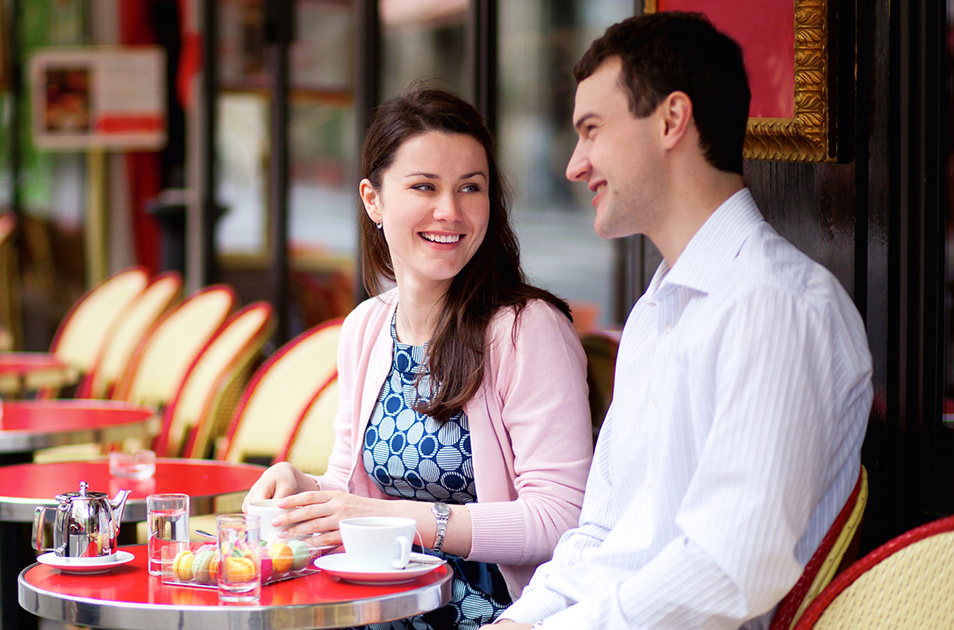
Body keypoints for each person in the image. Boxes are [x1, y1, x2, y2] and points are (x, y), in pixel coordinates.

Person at [487, 12, 873, 630]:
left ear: (671, 120)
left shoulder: (774, 304)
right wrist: (518, 622)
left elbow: (728, 572)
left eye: (592, 130)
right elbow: (600, 535)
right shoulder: (656, 310)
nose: (574, 164)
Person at [243, 85, 595, 629]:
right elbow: (353, 490)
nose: (450, 211)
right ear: (373, 201)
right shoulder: (366, 327)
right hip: (375, 601)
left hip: (494, 614)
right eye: (424, 186)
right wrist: (303, 488)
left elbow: (561, 519)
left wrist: (401, 520)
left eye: (470, 188)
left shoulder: (526, 330)